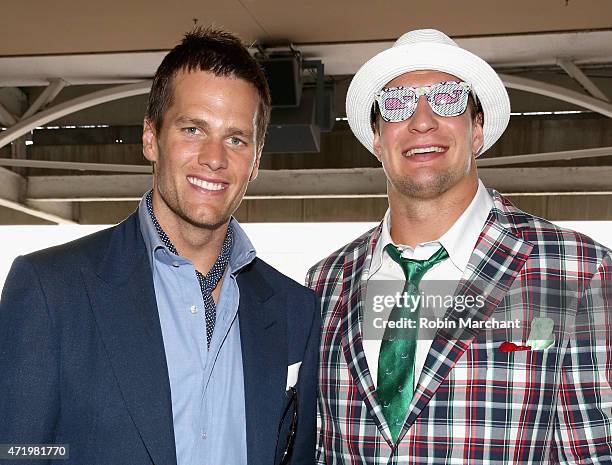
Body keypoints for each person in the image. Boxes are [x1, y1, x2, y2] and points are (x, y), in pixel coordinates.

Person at [0, 27, 319, 465]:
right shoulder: (50, 291)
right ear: (150, 137)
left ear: (257, 158)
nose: (214, 158)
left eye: (236, 138)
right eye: (193, 129)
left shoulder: (295, 310)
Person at [307, 29, 612, 464]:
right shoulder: (325, 283)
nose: (422, 120)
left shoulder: (579, 272)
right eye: (397, 105)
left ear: (478, 129)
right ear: (377, 138)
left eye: (448, 99)